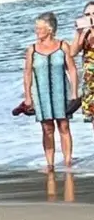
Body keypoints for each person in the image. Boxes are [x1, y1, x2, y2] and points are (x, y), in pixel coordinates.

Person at [23, 11, 79, 171]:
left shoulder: (63, 46)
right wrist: (28, 97)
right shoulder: (32, 50)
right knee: (47, 128)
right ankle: (50, 163)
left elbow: (72, 70)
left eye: (39, 28)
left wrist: (74, 92)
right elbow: (27, 74)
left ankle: (68, 161)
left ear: (50, 29)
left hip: (62, 91)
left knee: (64, 126)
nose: (36, 31)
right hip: (41, 94)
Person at [75, 1, 94, 126]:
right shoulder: (85, 34)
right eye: (87, 14)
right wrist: (79, 32)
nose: (91, 16)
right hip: (91, 84)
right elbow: (73, 52)